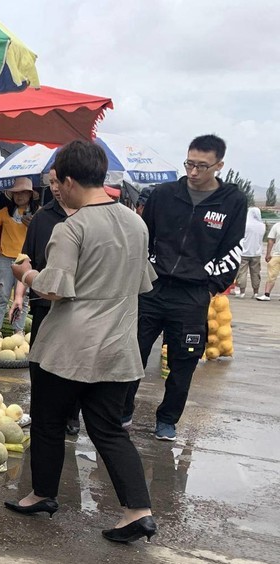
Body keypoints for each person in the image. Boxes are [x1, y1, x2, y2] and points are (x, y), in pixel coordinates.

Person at [8, 140, 158, 543]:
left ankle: (42, 494)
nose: (57, 188)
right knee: (109, 430)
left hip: (67, 349)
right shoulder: (135, 223)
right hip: (118, 346)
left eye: (58, 181)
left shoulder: (70, 227)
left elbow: (55, 289)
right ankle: (138, 510)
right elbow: (144, 282)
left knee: (49, 423)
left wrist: (25, 273)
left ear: (71, 181)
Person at [123, 134, 248, 441]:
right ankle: (121, 412)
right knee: (132, 353)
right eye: (189, 163)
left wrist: (211, 287)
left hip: (193, 294)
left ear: (218, 165)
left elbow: (233, 249)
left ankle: (167, 420)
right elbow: (144, 235)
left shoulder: (232, 201)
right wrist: (142, 273)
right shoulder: (164, 194)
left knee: (184, 361)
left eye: (202, 166)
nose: (193, 172)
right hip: (153, 288)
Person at [14, 167, 79, 434]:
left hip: (75, 307)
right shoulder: (42, 218)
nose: (54, 187)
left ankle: (71, 415)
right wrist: (19, 296)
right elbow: (24, 258)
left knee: (71, 364)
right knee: (39, 362)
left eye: (58, 181)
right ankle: (40, 411)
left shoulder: (85, 217)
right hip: (43, 303)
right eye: (50, 182)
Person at [0, 177, 36, 337]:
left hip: (24, 260)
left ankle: (18, 331)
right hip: (5, 259)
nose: (19, 196)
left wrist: (32, 226)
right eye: (16, 193)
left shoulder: (37, 214)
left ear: (30, 195)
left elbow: (44, 236)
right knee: (1, 296)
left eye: (23, 193)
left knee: (23, 298)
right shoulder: (5, 212)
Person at [233, 207, 265, 298]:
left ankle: (242, 291)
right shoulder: (262, 225)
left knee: (242, 272)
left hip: (244, 252)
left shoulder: (245, 224)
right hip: (256, 253)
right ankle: (256, 292)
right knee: (256, 273)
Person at [264, 218, 280, 301]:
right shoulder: (277, 226)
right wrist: (268, 253)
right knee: (271, 275)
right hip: (277, 254)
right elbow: (271, 240)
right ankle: (267, 294)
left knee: (272, 275)